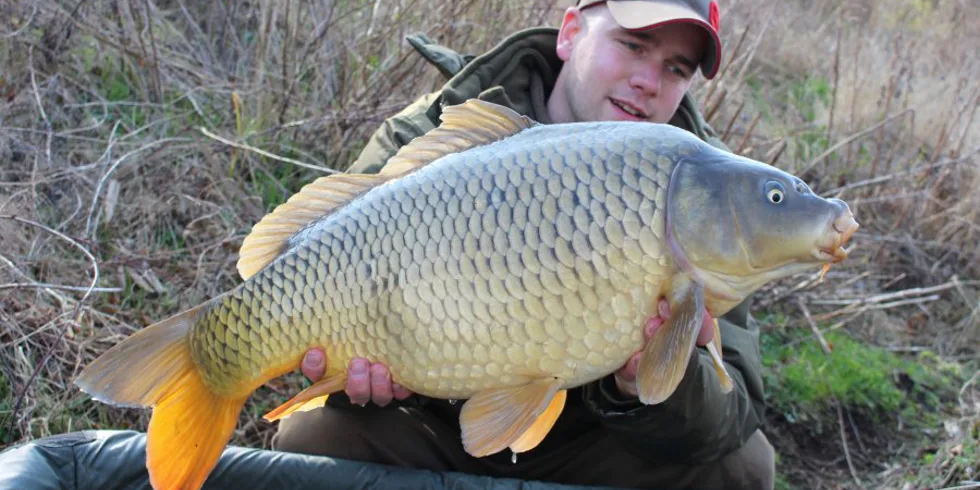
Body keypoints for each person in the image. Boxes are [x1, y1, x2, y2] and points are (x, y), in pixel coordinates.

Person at [271, 1, 774, 489]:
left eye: (676, 68)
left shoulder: (713, 195)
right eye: (633, 45)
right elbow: (312, 282)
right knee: (312, 437)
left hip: (599, 445)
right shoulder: (435, 130)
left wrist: (653, 381)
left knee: (743, 468)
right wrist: (362, 379)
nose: (649, 81)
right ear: (571, 32)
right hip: (430, 425)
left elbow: (731, 412)